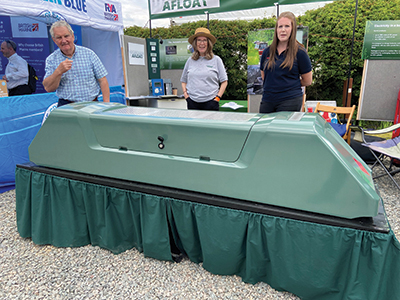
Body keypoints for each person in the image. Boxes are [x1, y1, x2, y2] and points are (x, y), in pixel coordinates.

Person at [43, 21, 110, 107]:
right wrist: (58, 71)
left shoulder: (89, 54)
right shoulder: (51, 60)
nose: (64, 40)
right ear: (54, 40)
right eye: (59, 37)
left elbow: (102, 80)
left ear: (72, 36)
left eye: (66, 36)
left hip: (91, 105)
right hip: (67, 107)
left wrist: (106, 104)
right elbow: (48, 88)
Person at [259, 11, 312, 113]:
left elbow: (307, 81)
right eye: (280, 26)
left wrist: (289, 85)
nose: (283, 30)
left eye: (287, 26)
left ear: (293, 29)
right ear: (276, 30)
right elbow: (264, 76)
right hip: (267, 100)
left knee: (281, 128)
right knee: (263, 128)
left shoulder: (300, 53)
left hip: (290, 100)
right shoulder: (267, 52)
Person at [181, 28, 228, 111]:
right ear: (195, 43)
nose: (202, 43)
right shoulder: (190, 60)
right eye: (199, 40)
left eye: (204, 40)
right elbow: (183, 80)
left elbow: (224, 81)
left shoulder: (216, 60)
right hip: (192, 103)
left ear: (208, 43)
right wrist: (186, 96)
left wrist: (217, 98)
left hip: (211, 103)